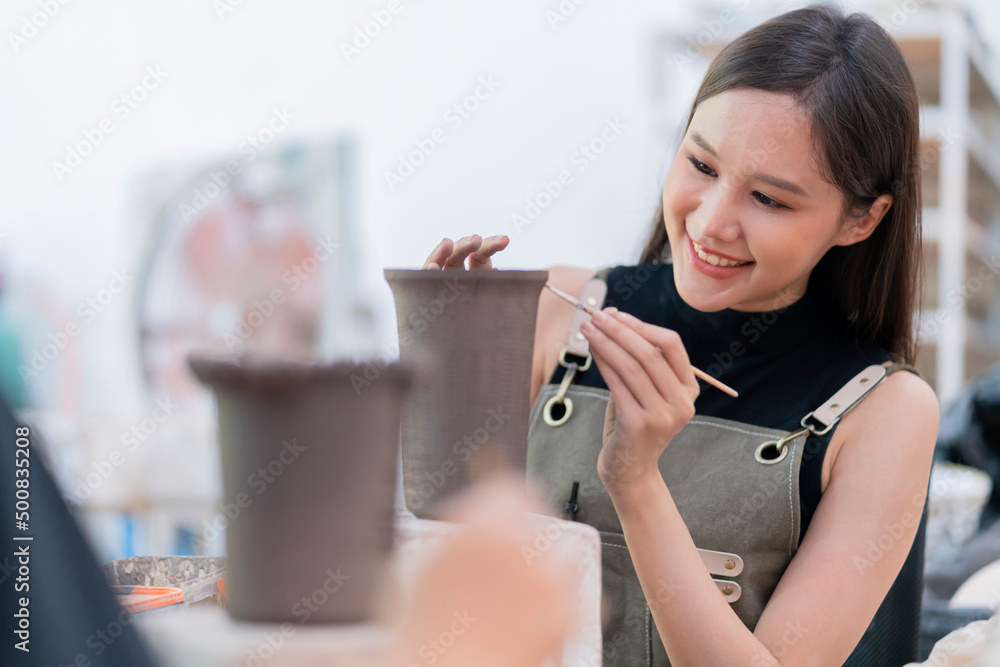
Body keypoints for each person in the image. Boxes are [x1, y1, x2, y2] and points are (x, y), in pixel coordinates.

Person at [421, 4, 938, 665]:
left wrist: (635, 479)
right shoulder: (556, 308)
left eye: (771, 199)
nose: (712, 221)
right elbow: (445, 573)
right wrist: (447, 369)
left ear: (861, 220)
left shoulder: (885, 411)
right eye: (701, 163)